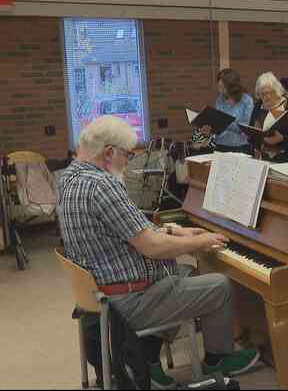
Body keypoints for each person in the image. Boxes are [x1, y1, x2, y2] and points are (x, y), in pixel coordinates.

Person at [57, 116, 260, 389]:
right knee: (219, 286)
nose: (128, 163)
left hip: (101, 296)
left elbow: (130, 229)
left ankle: (148, 360)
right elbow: (151, 247)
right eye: (128, 155)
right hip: (128, 302)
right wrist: (198, 242)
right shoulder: (103, 185)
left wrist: (176, 232)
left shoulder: (70, 178)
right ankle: (217, 359)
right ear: (108, 153)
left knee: (184, 271)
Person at [249, 72, 288, 163]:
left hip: (286, 160)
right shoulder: (259, 105)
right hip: (263, 158)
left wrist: (282, 138)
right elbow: (252, 130)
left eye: (268, 93)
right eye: (262, 94)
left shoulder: (287, 106)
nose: (266, 97)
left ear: (276, 90)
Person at [211, 69, 255, 153]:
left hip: (240, 147)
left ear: (231, 86)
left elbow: (245, 127)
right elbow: (217, 121)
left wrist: (224, 122)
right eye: (219, 87)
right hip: (220, 145)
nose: (219, 90)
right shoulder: (220, 99)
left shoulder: (246, 100)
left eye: (222, 87)